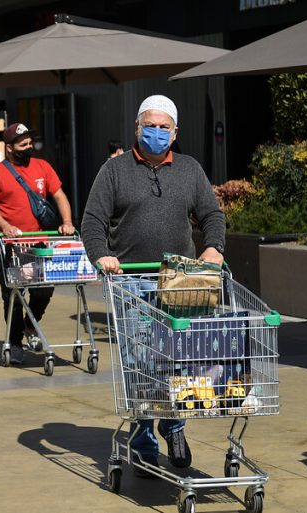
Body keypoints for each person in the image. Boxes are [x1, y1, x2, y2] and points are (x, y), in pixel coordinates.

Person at [81, 95, 226, 473]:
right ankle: (144, 430)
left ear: (175, 131)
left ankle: (174, 425)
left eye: (164, 127)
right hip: (131, 280)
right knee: (140, 361)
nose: (157, 133)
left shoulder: (190, 170)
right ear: (137, 127)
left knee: (180, 356)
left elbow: (211, 214)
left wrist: (213, 248)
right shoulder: (114, 172)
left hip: (181, 280)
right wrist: (102, 256)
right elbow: (93, 221)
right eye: (150, 125)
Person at [0, 122, 75, 365]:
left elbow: (59, 195)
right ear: (10, 148)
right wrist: (5, 226)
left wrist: (66, 221)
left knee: (44, 289)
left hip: (40, 243)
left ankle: (30, 325)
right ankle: (14, 342)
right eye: (23, 144)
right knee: (12, 295)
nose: (29, 147)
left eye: (30, 143)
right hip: (11, 244)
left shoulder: (42, 166)